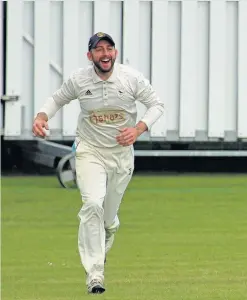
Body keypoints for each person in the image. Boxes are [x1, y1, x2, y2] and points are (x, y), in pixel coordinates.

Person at [32, 32, 165, 294]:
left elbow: (156, 105)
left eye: (109, 49)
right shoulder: (80, 79)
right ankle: (95, 273)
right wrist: (41, 116)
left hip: (121, 155)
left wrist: (137, 130)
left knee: (107, 219)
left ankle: (108, 230)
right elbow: (58, 98)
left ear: (115, 53)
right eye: (99, 50)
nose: (105, 54)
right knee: (92, 204)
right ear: (90, 55)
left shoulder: (130, 78)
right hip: (90, 151)